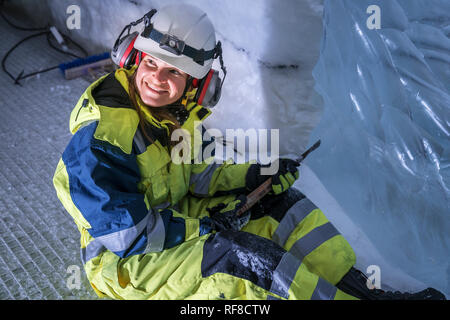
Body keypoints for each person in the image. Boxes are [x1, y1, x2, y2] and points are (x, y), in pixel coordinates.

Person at [53, 3, 445, 300]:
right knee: (243, 260)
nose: (157, 79)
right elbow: (128, 236)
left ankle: (358, 289)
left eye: (174, 71)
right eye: (151, 63)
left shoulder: (175, 115)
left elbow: (197, 175)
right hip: (128, 264)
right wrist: (208, 229)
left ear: (197, 84)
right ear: (133, 59)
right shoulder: (100, 142)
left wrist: (256, 176)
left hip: (173, 217)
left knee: (285, 206)